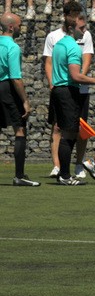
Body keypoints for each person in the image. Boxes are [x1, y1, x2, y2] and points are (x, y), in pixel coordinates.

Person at [50, 2, 95, 185]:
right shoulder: (73, 48)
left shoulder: (59, 44)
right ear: (71, 27)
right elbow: (75, 76)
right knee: (69, 135)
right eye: (81, 28)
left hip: (58, 90)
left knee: (66, 133)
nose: (84, 31)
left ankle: (63, 173)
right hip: (68, 92)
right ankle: (65, 176)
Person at [0, 12, 37, 186]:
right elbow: (16, 78)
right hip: (7, 88)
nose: (21, 28)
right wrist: (25, 101)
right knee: (19, 130)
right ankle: (19, 176)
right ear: (11, 27)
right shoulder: (12, 47)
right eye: (19, 25)